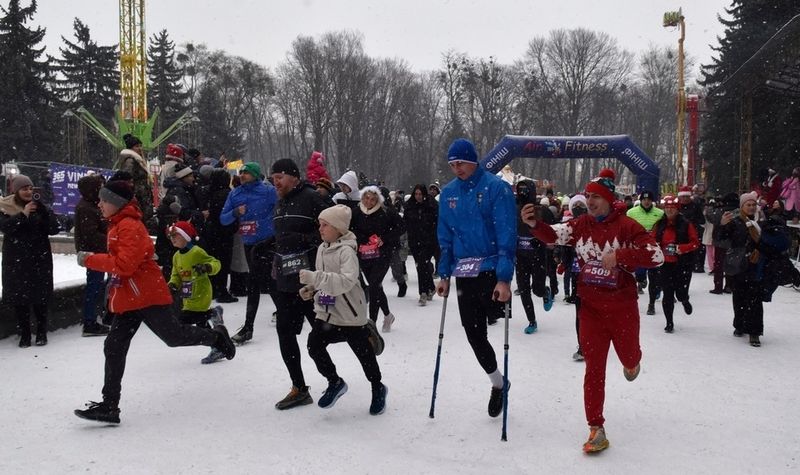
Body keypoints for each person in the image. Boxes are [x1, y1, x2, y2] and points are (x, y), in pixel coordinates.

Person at [521, 167, 664, 453]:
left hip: (622, 308)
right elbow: (553, 235)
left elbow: (657, 256)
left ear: (609, 199)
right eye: (588, 196)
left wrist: (621, 255)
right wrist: (535, 223)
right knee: (594, 368)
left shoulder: (627, 226)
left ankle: (632, 361)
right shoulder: (581, 224)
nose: (591, 201)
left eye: (596, 196)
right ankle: (596, 428)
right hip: (591, 310)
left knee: (629, 354)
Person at [73, 180, 235, 424]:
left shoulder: (129, 226)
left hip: (147, 295)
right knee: (114, 346)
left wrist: (90, 260)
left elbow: (125, 265)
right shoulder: (117, 225)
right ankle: (109, 406)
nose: (99, 204)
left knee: (174, 337)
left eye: (104, 200)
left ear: (116, 203)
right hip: (130, 298)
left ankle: (216, 337)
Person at [436, 138, 516, 419]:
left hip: (492, 269)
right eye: (452, 164)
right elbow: (445, 238)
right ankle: (498, 382)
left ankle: (498, 379)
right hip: (464, 274)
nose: (457, 168)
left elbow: (506, 234)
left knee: (496, 320)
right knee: (474, 335)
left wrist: (504, 278)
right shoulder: (448, 194)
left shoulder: (496, 188)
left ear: (474, 160)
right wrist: (443, 273)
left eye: (461, 163)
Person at [299, 204, 387, 415]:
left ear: (338, 228)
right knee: (314, 345)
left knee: (363, 354)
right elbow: (324, 278)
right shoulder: (322, 248)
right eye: (319, 224)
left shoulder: (347, 251)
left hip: (349, 312)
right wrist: (312, 289)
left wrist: (315, 278)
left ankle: (378, 387)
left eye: (325, 225)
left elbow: (347, 281)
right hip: (327, 310)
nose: (320, 229)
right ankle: (335, 382)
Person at [270, 158, 330, 410]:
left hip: (311, 280)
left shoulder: (312, 198)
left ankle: (360, 335)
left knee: (326, 330)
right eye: (273, 179)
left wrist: (304, 239)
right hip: (286, 281)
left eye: (279, 178)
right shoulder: (281, 201)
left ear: (294, 177)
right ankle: (299, 387)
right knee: (285, 332)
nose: (276, 183)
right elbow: (282, 237)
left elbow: (333, 230)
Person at [219, 162, 278, 343]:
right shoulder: (235, 193)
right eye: (241, 172)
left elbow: (280, 208)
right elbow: (223, 219)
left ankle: (249, 327)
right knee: (265, 281)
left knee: (257, 282)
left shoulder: (268, 191)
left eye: (246, 173)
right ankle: (286, 311)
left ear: (255, 174)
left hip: (267, 241)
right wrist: (236, 212)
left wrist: (272, 224)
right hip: (249, 242)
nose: (242, 175)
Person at [0, 174, 61, 347]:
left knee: (40, 299)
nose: (28, 191)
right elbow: (6, 228)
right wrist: (23, 215)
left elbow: (55, 229)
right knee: (20, 300)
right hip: (16, 261)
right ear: (15, 190)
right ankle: (24, 334)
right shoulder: (5, 207)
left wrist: (43, 211)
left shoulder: (40, 207)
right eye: (24, 188)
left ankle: (42, 332)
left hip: (38, 260)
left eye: (30, 188)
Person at [718, 191, 785, 347]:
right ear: (742, 206)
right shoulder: (735, 222)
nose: (751, 207)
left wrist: (760, 250)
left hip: (757, 266)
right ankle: (739, 324)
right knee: (739, 297)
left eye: (753, 204)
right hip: (738, 266)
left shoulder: (762, 222)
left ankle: (754, 332)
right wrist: (722, 225)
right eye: (748, 204)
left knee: (755, 299)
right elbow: (721, 239)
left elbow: (770, 241)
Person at [166, 220, 227, 364]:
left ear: (186, 236)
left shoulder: (196, 252)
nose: (173, 239)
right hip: (188, 295)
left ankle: (216, 342)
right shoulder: (176, 256)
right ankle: (214, 323)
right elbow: (176, 274)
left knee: (187, 320)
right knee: (199, 321)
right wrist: (172, 284)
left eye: (176, 235)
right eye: (171, 236)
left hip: (201, 291)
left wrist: (207, 267)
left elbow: (216, 263)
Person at [651, 196, 699, 333]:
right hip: (665, 264)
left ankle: (684, 300)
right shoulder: (659, 224)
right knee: (667, 294)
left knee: (680, 292)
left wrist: (681, 248)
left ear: (677, 209)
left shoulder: (686, 224)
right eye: (667, 208)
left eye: (672, 208)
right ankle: (669, 322)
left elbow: (695, 242)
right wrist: (656, 246)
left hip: (682, 264)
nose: (669, 210)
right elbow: (652, 240)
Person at [514, 179, 555, 334]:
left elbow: (554, 231)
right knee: (524, 290)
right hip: (521, 256)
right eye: (520, 190)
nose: (522, 193)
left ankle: (545, 291)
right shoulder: (514, 208)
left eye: (525, 190)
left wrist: (548, 245)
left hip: (538, 254)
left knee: (536, 289)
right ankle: (532, 321)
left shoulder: (542, 210)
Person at [74, 174, 111, 337]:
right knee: (94, 287)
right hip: (93, 253)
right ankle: (89, 322)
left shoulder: (91, 205)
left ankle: (94, 318)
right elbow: (91, 234)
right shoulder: (86, 208)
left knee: (97, 286)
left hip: (96, 252)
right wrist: (111, 239)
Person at [156, 164, 204, 280]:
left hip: (177, 234)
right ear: (184, 177)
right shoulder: (180, 191)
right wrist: (200, 214)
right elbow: (184, 212)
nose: (193, 178)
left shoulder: (180, 189)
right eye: (190, 176)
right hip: (180, 233)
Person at [202, 169, 239, 303]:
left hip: (210, 232)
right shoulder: (227, 194)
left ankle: (212, 289)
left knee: (212, 260)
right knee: (223, 262)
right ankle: (222, 291)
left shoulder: (207, 192)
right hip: (224, 233)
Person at [626, 190, 664, 306]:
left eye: (649, 200)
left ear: (652, 201)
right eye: (644, 199)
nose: (646, 202)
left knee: (655, 276)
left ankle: (651, 303)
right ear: (641, 200)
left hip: (654, 248)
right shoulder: (631, 213)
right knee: (640, 274)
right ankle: (641, 280)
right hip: (638, 248)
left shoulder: (660, 213)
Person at [403, 184, 438, 306]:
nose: (418, 197)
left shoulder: (431, 205)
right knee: (421, 266)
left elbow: (436, 222)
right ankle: (431, 287)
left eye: (420, 194)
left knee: (422, 264)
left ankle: (422, 292)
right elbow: (405, 223)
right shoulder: (409, 206)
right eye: (416, 194)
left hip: (428, 241)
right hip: (415, 241)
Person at [114, 134, 154, 225]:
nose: (140, 148)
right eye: (137, 146)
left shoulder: (137, 160)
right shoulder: (131, 161)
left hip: (140, 194)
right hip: (138, 195)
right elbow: (126, 177)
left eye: (140, 146)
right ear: (131, 148)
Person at [706, 193, 738, 294]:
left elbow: (710, 217)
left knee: (719, 265)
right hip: (734, 242)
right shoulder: (739, 212)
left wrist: (713, 206)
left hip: (720, 241)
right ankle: (729, 285)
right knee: (731, 264)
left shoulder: (720, 211)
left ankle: (718, 286)